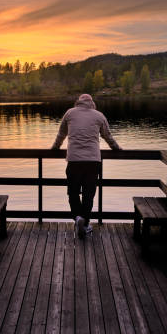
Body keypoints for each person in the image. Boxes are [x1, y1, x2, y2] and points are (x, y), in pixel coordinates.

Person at [51, 94, 122, 238]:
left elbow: (61, 135)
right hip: (92, 162)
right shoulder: (99, 116)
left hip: (74, 160)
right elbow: (108, 136)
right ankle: (85, 224)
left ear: (78, 102)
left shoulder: (69, 113)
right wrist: (117, 149)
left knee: (73, 192)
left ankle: (78, 218)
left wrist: (54, 148)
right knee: (89, 194)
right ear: (92, 103)